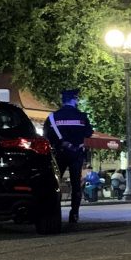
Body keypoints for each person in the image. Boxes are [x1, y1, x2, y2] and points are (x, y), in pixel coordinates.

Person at [43, 89, 93, 223]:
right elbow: (89, 133)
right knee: (76, 184)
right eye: (76, 99)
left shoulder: (53, 117)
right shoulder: (82, 116)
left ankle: (54, 211)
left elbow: (46, 135)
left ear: (63, 100)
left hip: (59, 153)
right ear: (74, 99)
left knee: (55, 183)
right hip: (76, 154)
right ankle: (74, 213)